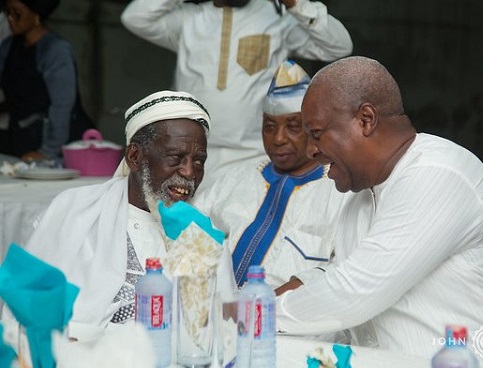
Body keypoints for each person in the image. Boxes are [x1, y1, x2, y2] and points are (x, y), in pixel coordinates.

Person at [275, 56, 483, 368]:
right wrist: (270, 298)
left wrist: (251, 312)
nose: (311, 151)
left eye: (317, 133)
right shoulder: (358, 203)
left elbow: (355, 291)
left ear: (365, 120)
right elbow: (344, 278)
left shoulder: (438, 172)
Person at [12, 90, 231, 328]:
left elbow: (225, 323)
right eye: (176, 157)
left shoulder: (200, 229)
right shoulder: (76, 210)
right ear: (134, 156)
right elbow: (26, 309)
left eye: (198, 161)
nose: (189, 172)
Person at [120, 0, 353, 189]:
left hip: (254, 158)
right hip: (193, 157)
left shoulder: (278, 19)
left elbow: (339, 47)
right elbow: (135, 17)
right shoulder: (190, 19)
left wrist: (296, 5)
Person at [193, 60, 346, 291]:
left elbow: (345, 272)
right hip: (215, 315)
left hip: (288, 323)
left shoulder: (338, 190)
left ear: (314, 130)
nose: (278, 139)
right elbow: (191, 232)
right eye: (270, 126)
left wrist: (266, 304)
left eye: (293, 127)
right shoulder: (238, 178)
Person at [0, 0, 93, 163]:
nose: (10, 18)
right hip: (22, 139)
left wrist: (48, 152)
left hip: (57, 145)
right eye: (7, 13)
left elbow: (62, 106)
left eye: (16, 13)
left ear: (36, 15)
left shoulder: (55, 50)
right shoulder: (8, 47)